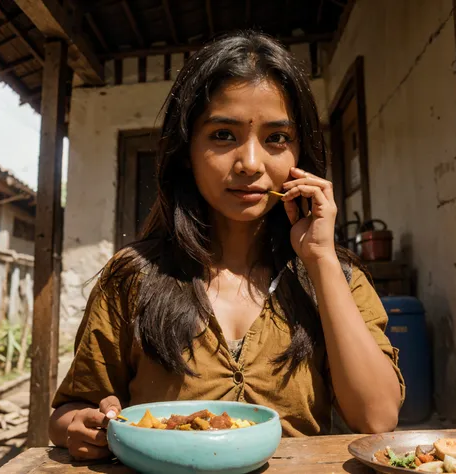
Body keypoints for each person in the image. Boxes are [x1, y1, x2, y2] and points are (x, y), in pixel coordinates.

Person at [49, 31, 404, 460]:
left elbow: (377, 418)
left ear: (299, 155)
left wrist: (321, 259)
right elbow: (70, 411)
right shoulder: (132, 276)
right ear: (186, 152)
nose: (251, 164)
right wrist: (82, 427)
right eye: (222, 135)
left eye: (276, 139)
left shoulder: (336, 276)